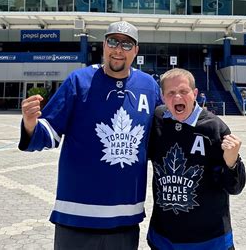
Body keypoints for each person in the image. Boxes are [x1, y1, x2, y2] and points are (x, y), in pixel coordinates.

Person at [19, 21, 161, 250]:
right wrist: (29, 124)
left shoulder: (149, 87)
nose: (118, 49)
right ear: (103, 45)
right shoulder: (78, 81)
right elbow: (48, 133)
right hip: (76, 215)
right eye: (113, 42)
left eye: (126, 44)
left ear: (136, 51)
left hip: (124, 220)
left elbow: (165, 136)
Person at [147, 68, 246, 250]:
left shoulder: (214, 128)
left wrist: (232, 163)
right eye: (171, 93)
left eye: (183, 91)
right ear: (162, 96)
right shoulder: (157, 120)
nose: (177, 97)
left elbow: (234, 187)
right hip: (164, 239)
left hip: (209, 241)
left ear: (194, 94)